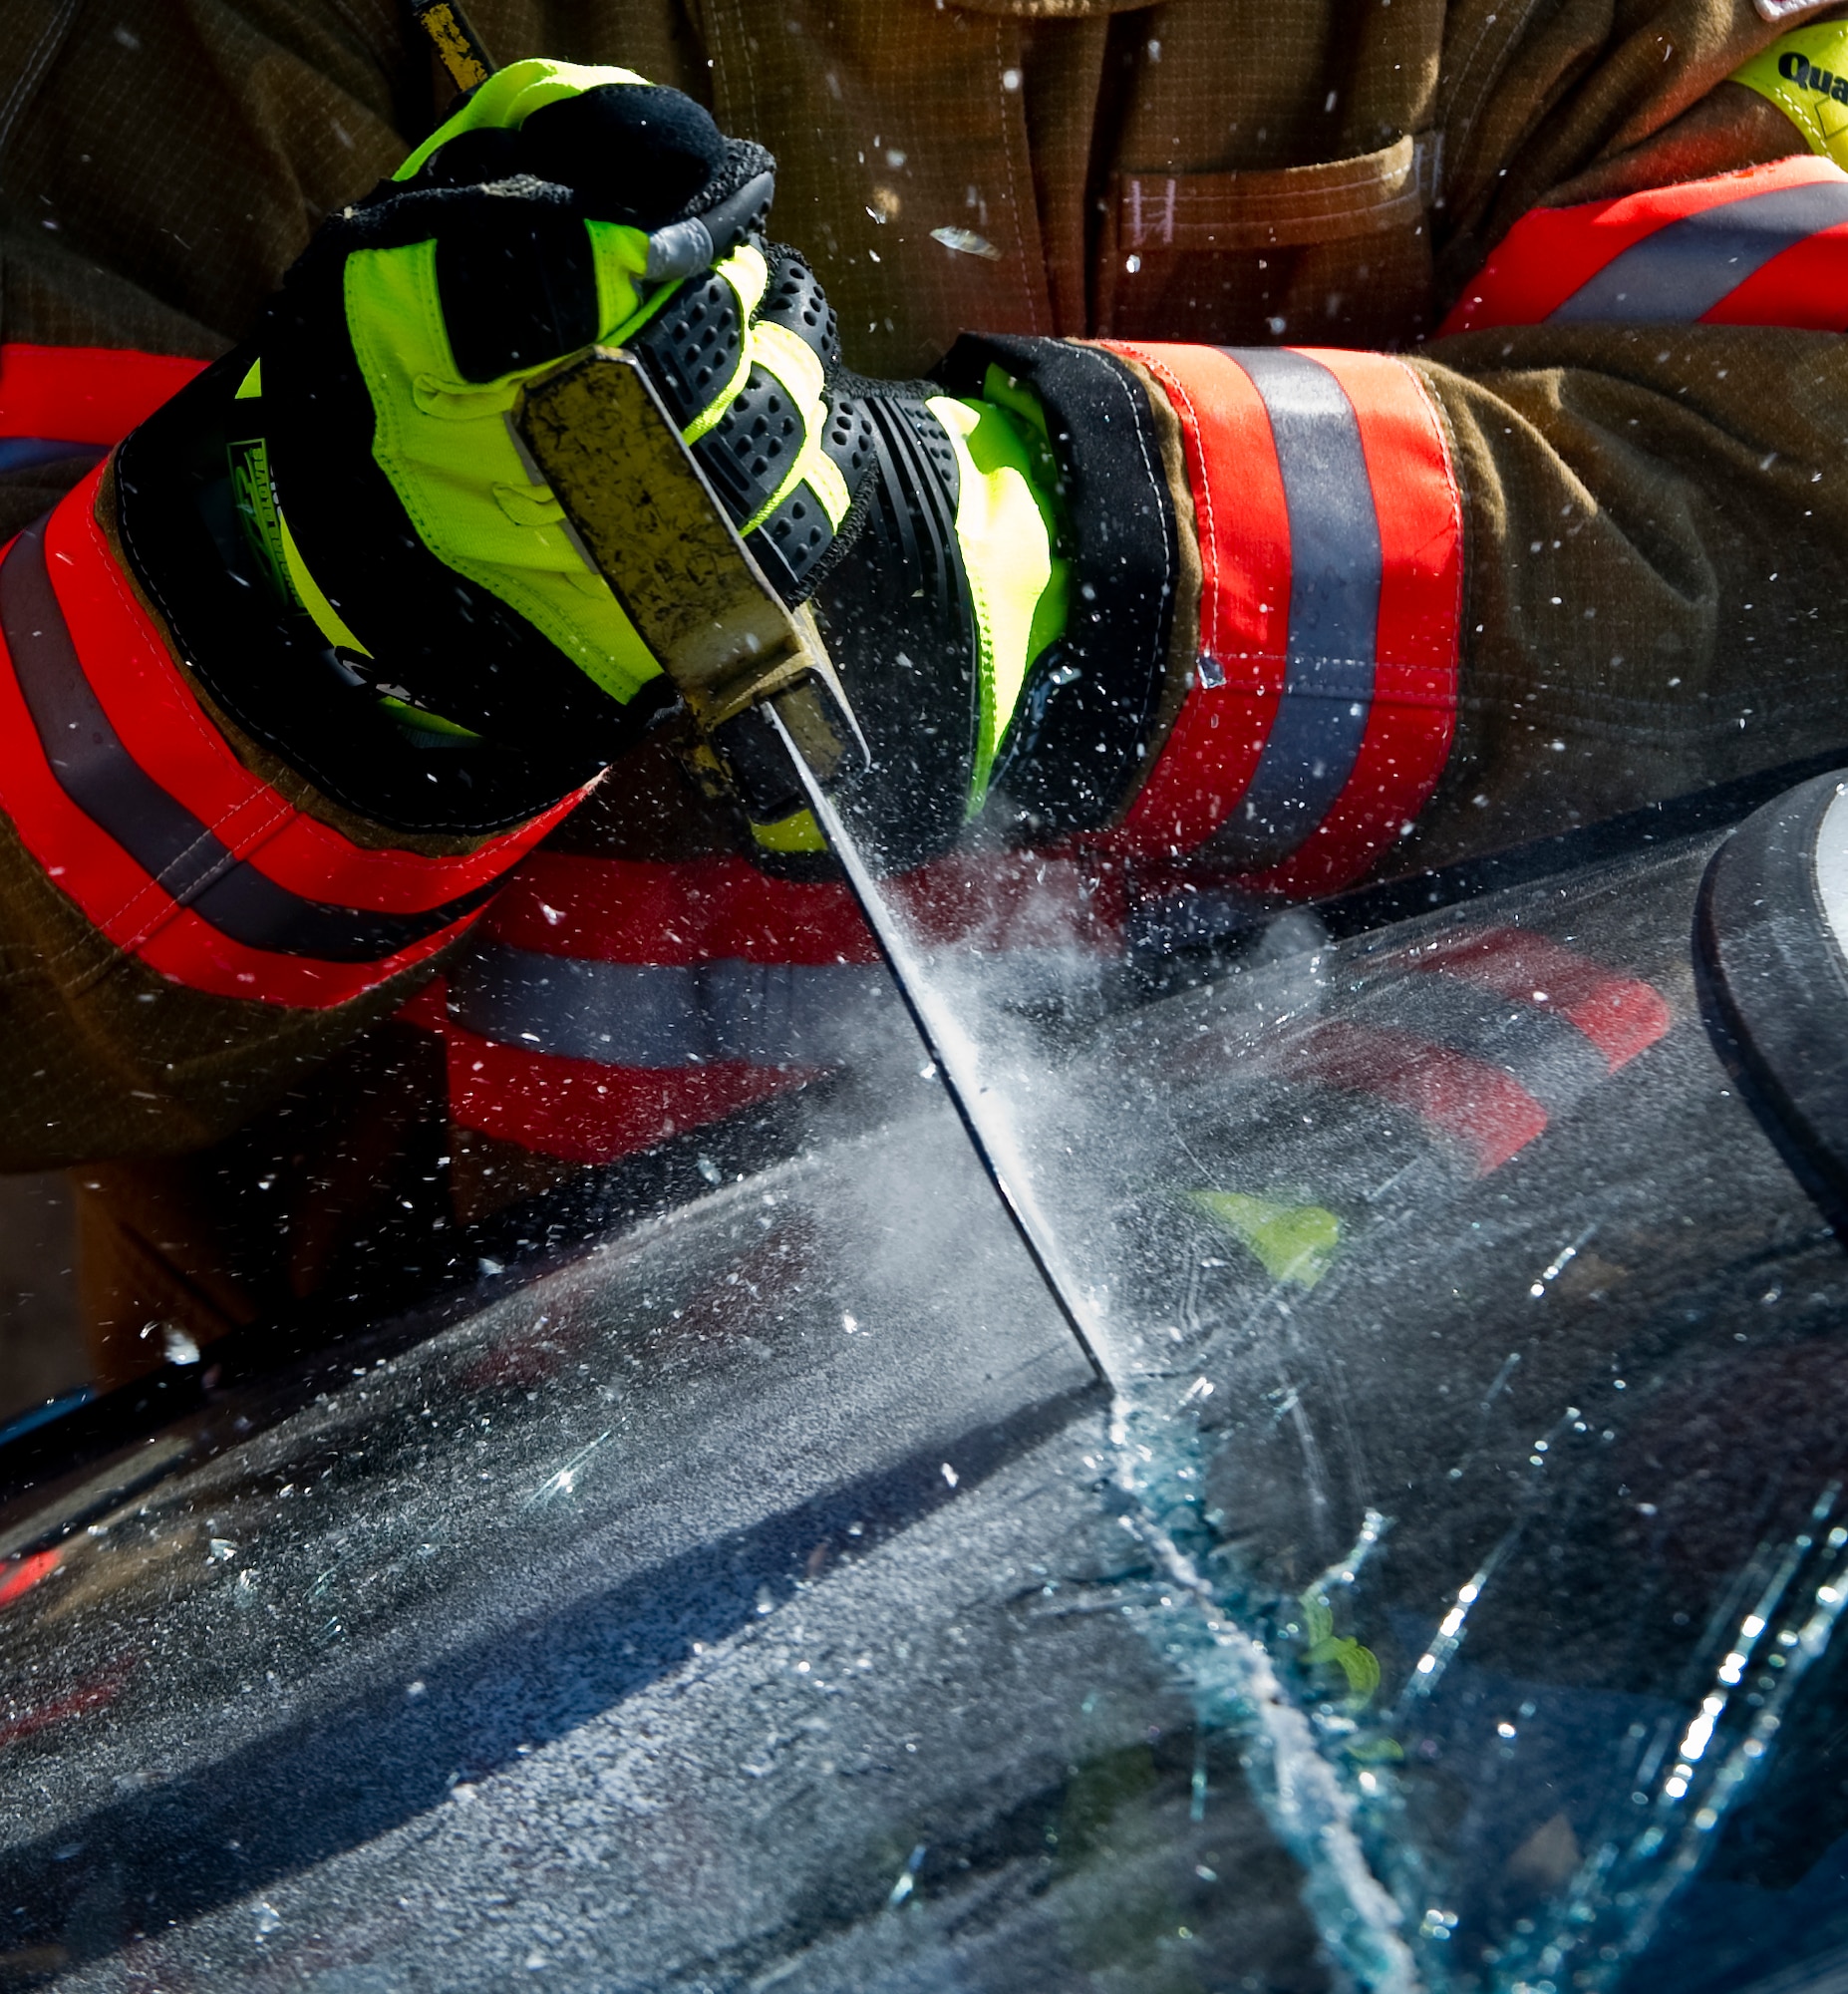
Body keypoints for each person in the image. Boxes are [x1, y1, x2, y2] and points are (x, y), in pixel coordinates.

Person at [4, 0, 1848, 1384]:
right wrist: (340, 614)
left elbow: (1802, 508)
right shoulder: (202, 39)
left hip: (1478, 1390)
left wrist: (1100, 565)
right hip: (429, 1523)